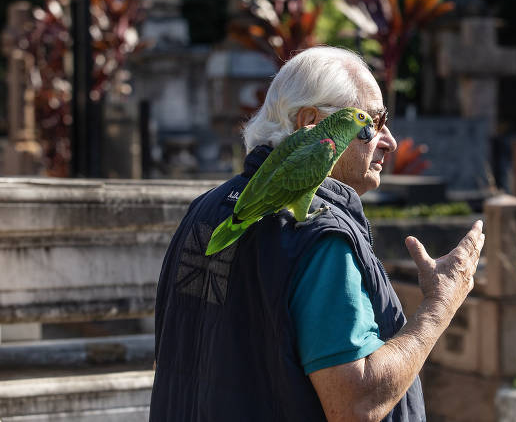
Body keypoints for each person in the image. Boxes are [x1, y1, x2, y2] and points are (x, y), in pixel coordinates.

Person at [149, 46, 485, 421]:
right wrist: (439, 305)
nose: (388, 140)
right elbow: (355, 403)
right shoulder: (317, 237)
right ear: (309, 121)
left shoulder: (205, 210)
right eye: (371, 123)